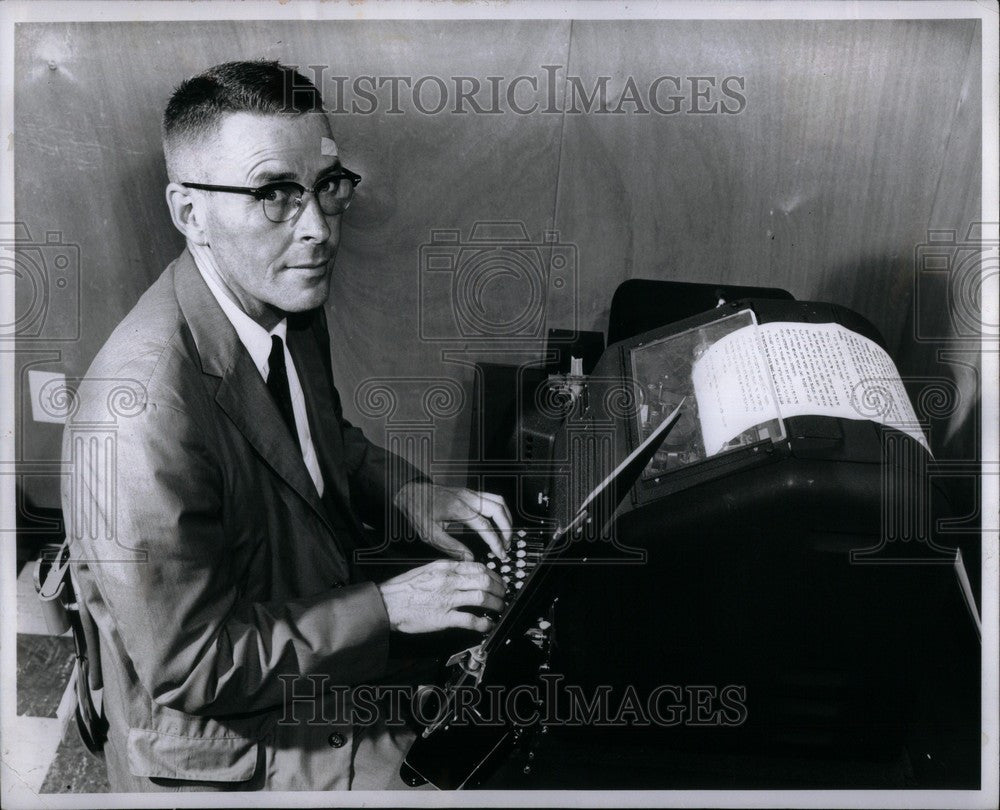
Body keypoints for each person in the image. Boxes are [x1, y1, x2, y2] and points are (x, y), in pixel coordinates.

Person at [61, 60, 512, 792]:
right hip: (228, 743)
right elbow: (195, 668)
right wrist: (389, 609)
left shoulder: (280, 293)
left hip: (298, 627)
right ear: (189, 213)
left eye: (325, 187)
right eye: (274, 194)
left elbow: (316, 435)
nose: (318, 229)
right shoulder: (142, 418)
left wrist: (408, 493)